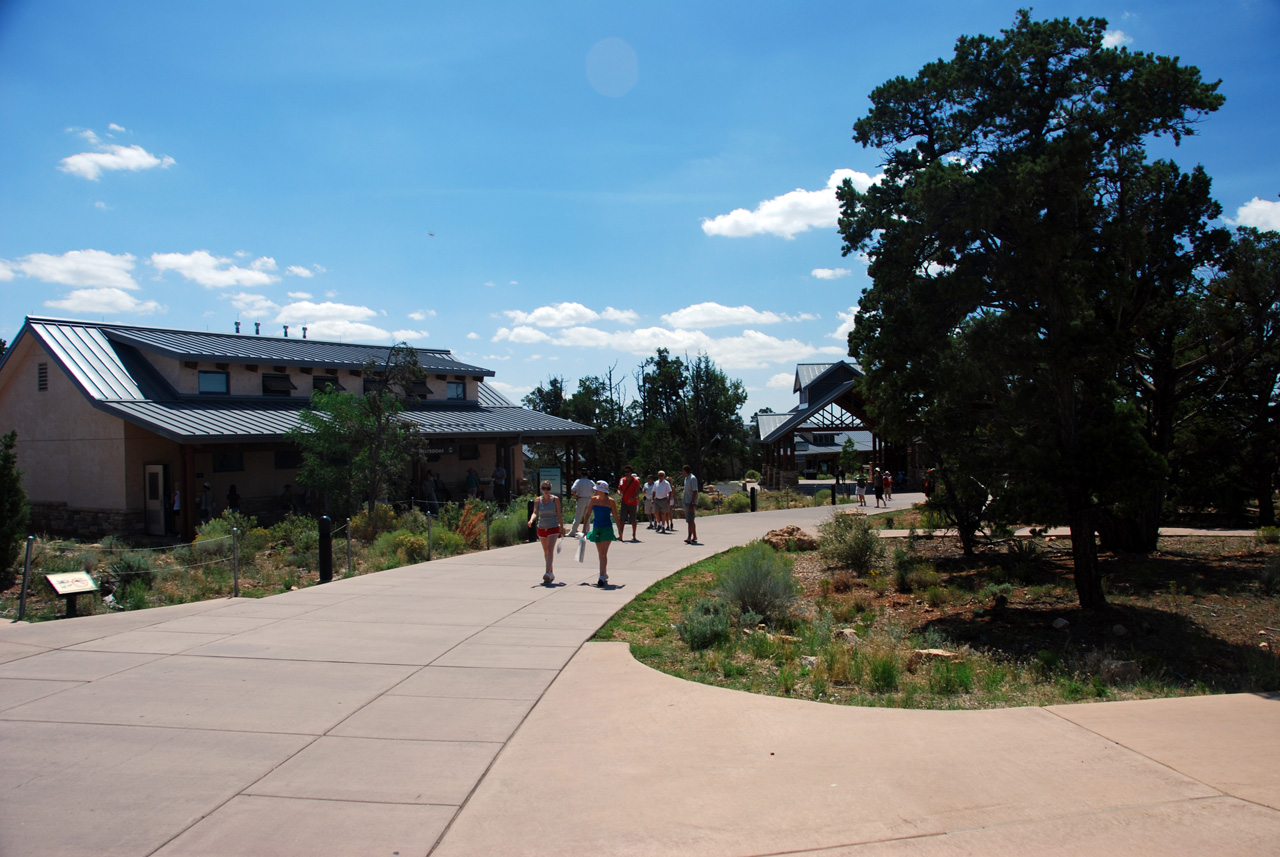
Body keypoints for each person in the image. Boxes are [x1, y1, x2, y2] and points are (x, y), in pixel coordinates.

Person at [527, 480, 564, 585]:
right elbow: (535, 512)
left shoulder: (555, 499)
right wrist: (531, 520)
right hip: (542, 526)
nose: (546, 490)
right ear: (541, 489)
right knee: (546, 551)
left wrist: (561, 526)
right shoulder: (538, 500)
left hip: (553, 526)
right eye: (544, 488)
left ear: (550, 489)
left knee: (550, 550)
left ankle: (547, 572)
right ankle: (551, 573)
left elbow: (559, 514)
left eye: (548, 488)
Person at [585, 480, 619, 586]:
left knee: (603, 553)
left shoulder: (611, 502)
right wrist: (583, 528)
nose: (596, 491)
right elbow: (588, 514)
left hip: (607, 528)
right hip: (597, 528)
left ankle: (601, 577)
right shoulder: (594, 500)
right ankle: (604, 573)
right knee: (600, 553)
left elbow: (616, 516)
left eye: (598, 490)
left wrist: (620, 530)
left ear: (603, 491)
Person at [617, 465, 642, 541]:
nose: (626, 473)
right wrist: (619, 493)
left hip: (633, 503)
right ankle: (620, 535)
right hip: (624, 502)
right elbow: (619, 489)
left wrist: (633, 498)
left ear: (631, 472)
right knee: (622, 519)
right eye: (625, 472)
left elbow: (638, 491)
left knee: (633, 519)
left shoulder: (635, 481)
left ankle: (634, 535)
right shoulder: (622, 480)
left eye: (628, 472)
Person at [568, 471, 596, 536]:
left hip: (581, 499)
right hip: (589, 499)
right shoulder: (590, 482)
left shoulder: (578, 481)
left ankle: (572, 532)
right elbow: (596, 490)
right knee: (587, 516)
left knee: (578, 517)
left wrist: (576, 497)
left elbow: (573, 490)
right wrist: (593, 497)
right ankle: (586, 531)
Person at [681, 464, 699, 544]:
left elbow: (695, 491)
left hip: (691, 502)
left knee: (690, 521)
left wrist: (692, 503)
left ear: (685, 471)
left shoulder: (692, 478)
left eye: (683, 470)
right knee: (690, 520)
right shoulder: (686, 478)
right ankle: (694, 536)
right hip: (686, 501)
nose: (682, 472)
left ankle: (689, 537)